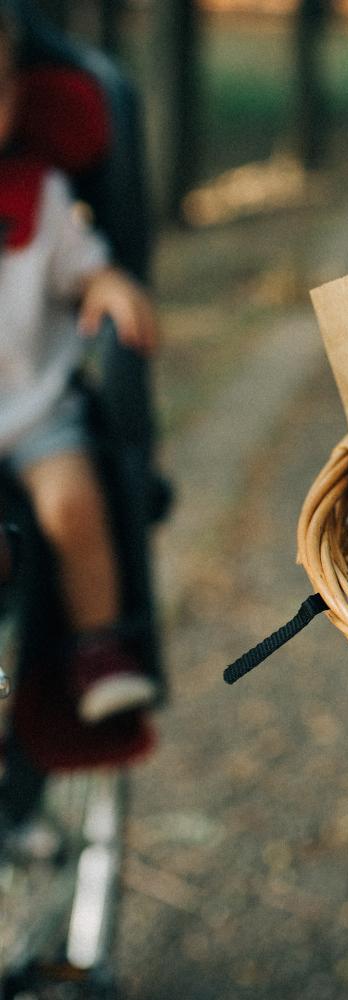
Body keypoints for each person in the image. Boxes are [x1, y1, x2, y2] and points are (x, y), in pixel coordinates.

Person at [0, 8, 159, 725]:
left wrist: (109, 286)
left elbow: (86, 267)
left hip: (34, 410)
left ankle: (98, 647)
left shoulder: (41, 192)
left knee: (73, 504)